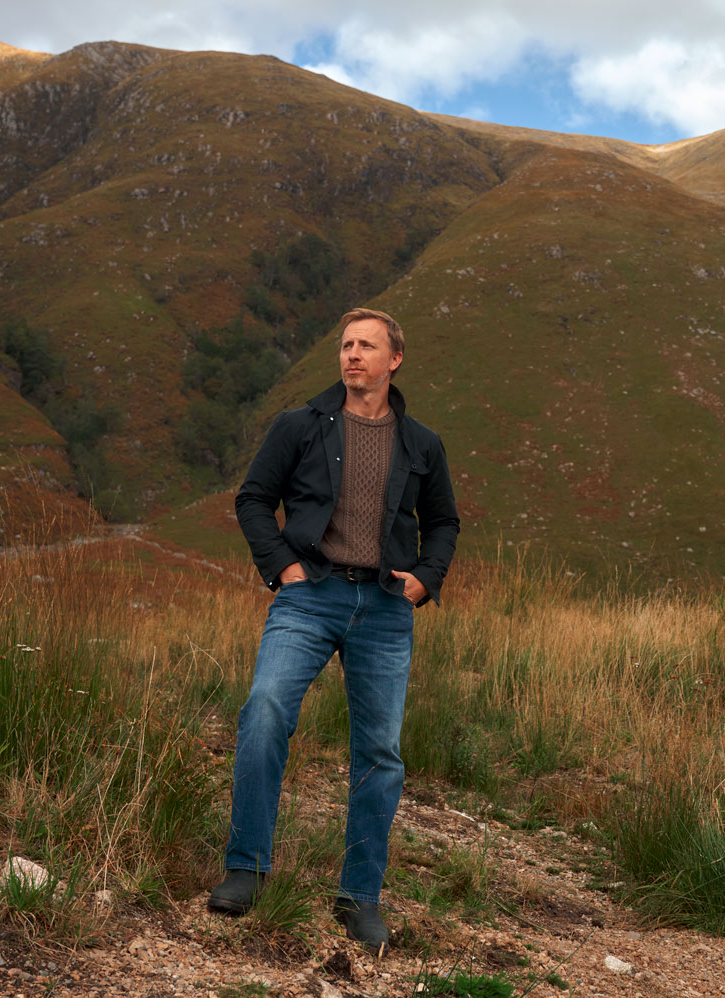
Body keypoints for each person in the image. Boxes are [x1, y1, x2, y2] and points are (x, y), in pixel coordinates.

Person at [209, 307, 460, 952]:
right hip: (310, 594)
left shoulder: (420, 441)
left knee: (379, 753)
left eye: (366, 346)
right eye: (346, 345)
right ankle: (247, 869)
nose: (352, 355)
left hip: (383, 607)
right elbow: (253, 499)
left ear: (394, 359)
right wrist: (283, 567)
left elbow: (443, 522)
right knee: (264, 710)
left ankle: (359, 897)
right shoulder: (299, 426)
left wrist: (425, 579)